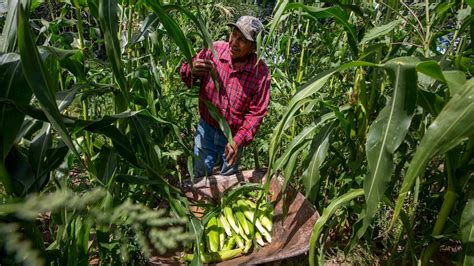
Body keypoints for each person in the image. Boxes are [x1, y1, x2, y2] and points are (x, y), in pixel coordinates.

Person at [180, 15, 271, 177]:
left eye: (242, 40)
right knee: (200, 174)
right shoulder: (214, 50)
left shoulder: (260, 73)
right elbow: (186, 74)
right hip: (206, 128)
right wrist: (191, 70)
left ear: (254, 48)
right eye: (234, 34)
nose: (234, 42)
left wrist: (237, 140)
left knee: (227, 179)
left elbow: (256, 113)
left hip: (233, 136)